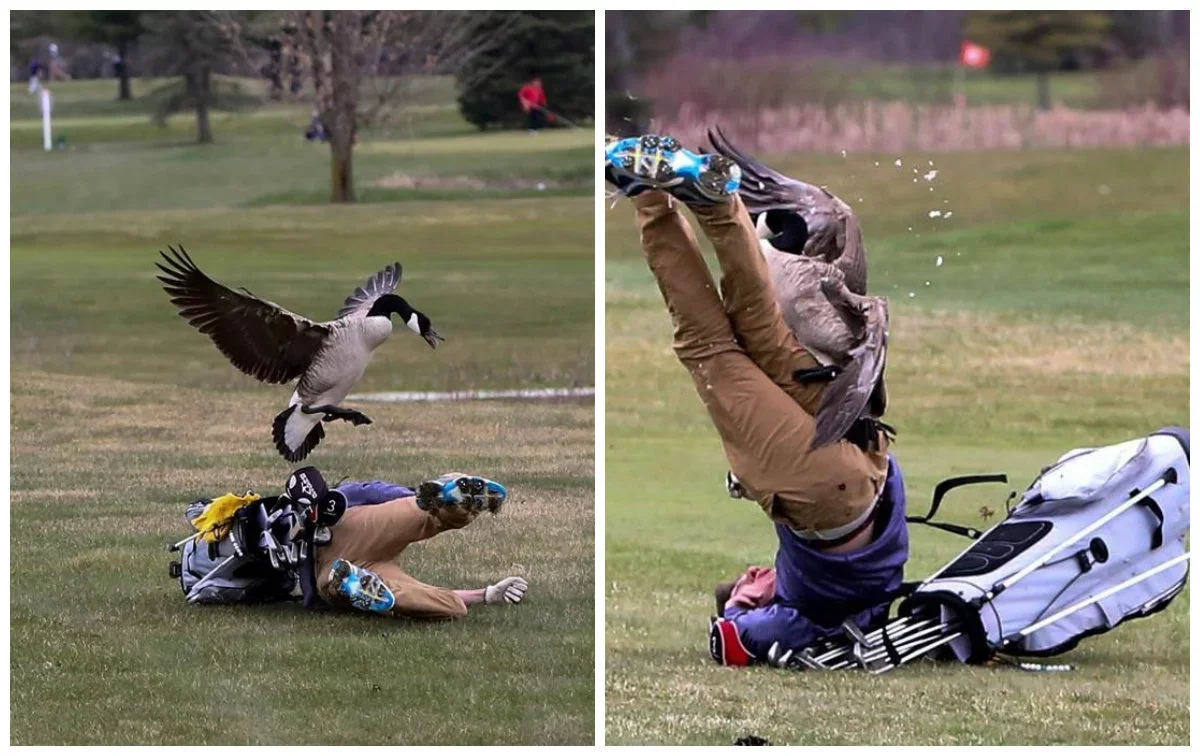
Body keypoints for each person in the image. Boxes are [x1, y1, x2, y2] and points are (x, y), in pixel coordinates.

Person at [605, 134, 910, 666]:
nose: (747, 578)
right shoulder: (807, 612)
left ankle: (718, 200)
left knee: (756, 322)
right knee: (706, 345)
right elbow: (733, 642)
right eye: (749, 588)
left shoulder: (853, 585)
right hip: (832, 487)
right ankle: (648, 195)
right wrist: (736, 616)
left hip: (862, 453)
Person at [307, 471, 528, 619]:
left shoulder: (286, 513)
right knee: (453, 607)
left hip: (341, 531)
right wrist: (487, 594)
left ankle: (445, 498)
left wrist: (415, 496)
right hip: (346, 569)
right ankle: (359, 584)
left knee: (416, 511)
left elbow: (364, 492)